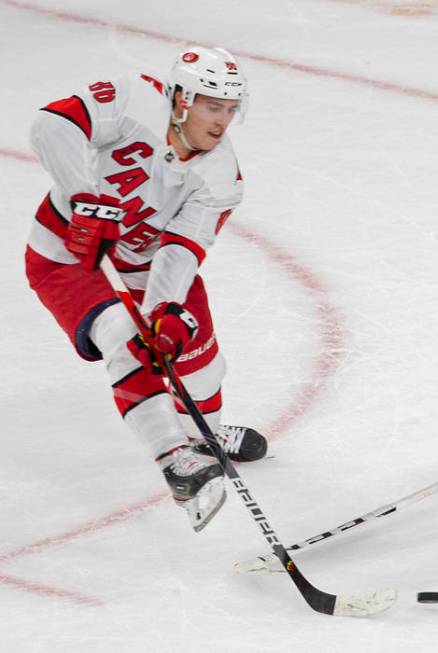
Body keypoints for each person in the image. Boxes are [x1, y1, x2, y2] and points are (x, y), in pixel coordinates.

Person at [25, 46, 267, 531]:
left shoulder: (222, 177)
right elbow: (51, 124)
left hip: (147, 266)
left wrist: (164, 311)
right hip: (69, 258)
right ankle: (176, 460)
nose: (222, 121)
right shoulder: (134, 99)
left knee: (200, 369)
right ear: (180, 100)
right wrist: (84, 196)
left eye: (229, 109)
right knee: (124, 339)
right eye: (211, 106)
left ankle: (207, 438)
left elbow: (180, 250)